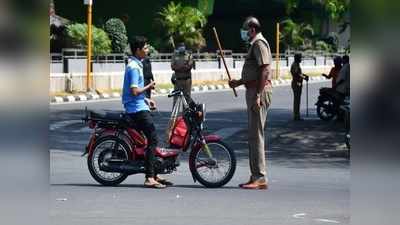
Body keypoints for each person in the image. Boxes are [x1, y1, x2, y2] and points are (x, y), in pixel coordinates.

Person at [229, 16, 272, 190]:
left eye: (245, 29)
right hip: (253, 90)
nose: (244, 33)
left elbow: (265, 70)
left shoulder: (259, 43)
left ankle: (260, 177)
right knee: (253, 136)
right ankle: (255, 175)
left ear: (252, 29)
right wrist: (238, 83)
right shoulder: (254, 44)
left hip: (258, 93)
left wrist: (258, 95)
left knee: (256, 136)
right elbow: (254, 72)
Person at [122, 36, 172, 188]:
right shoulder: (133, 67)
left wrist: (147, 100)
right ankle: (149, 177)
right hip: (135, 110)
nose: (147, 50)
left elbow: (136, 94)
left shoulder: (137, 64)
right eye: (145, 48)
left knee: (148, 140)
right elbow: (135, 91)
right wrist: (149, 86)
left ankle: (154, 174)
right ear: (138, 50)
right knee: (153, 139)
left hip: (139, 106)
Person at [290, 53, 309, 121]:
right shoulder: (295, 64)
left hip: (298, 83)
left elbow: (299, 73)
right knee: (297, 100)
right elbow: (296, 74)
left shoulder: (296, 64)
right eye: (300, 58)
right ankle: (296, 116)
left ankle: (297, 115)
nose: (301, 59)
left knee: (297, 100)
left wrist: (304, 75)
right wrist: (304, 77)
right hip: (296, 83)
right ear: (297, 58)